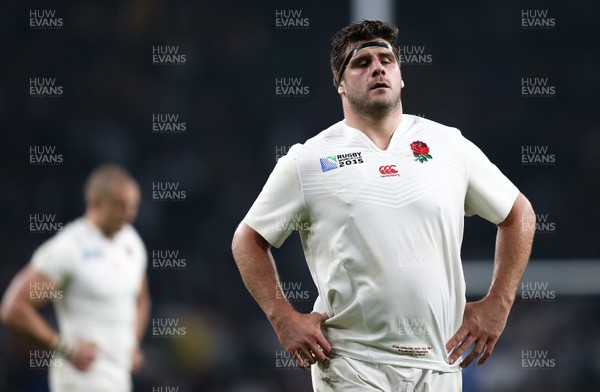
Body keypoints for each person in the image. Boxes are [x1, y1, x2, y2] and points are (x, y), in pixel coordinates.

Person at [231, 20, 535, 391]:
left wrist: (499, 301)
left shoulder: (449, 145)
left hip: (441, 364)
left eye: (386, 60)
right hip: (352, 364)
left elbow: (519, 214)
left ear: (401, 76)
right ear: (339, 83)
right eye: (361, 63)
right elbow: (247, 239)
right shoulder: (308, 161)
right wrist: (282, 316)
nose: (377, 67)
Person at [1, 164, 150, 392]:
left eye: (132, 207)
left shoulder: (132, 243)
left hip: (118, 377)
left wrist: (132, 344)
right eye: (120, 206)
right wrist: (65, 347)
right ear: (94, 202)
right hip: (81, 379)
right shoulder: (69, 248)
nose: (129, 215)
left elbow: (141, 299)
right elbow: (13, 308)